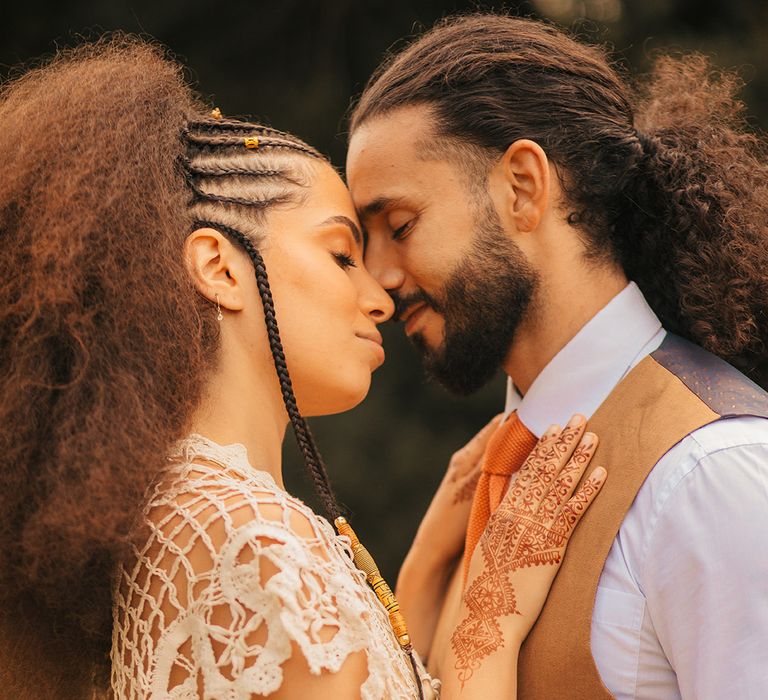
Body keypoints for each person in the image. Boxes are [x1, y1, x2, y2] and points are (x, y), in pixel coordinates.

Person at [0, 37, 606, 699]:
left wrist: (426, 573)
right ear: (220, 269)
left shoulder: (175, 522)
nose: (379, 296)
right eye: (342, 255)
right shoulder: (257, 546)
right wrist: (491, 616)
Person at [346, 13, 768, 700]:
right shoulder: (479, 482)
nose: (379, 280)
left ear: (522, 186)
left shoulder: (711, 477)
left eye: (399, 227)